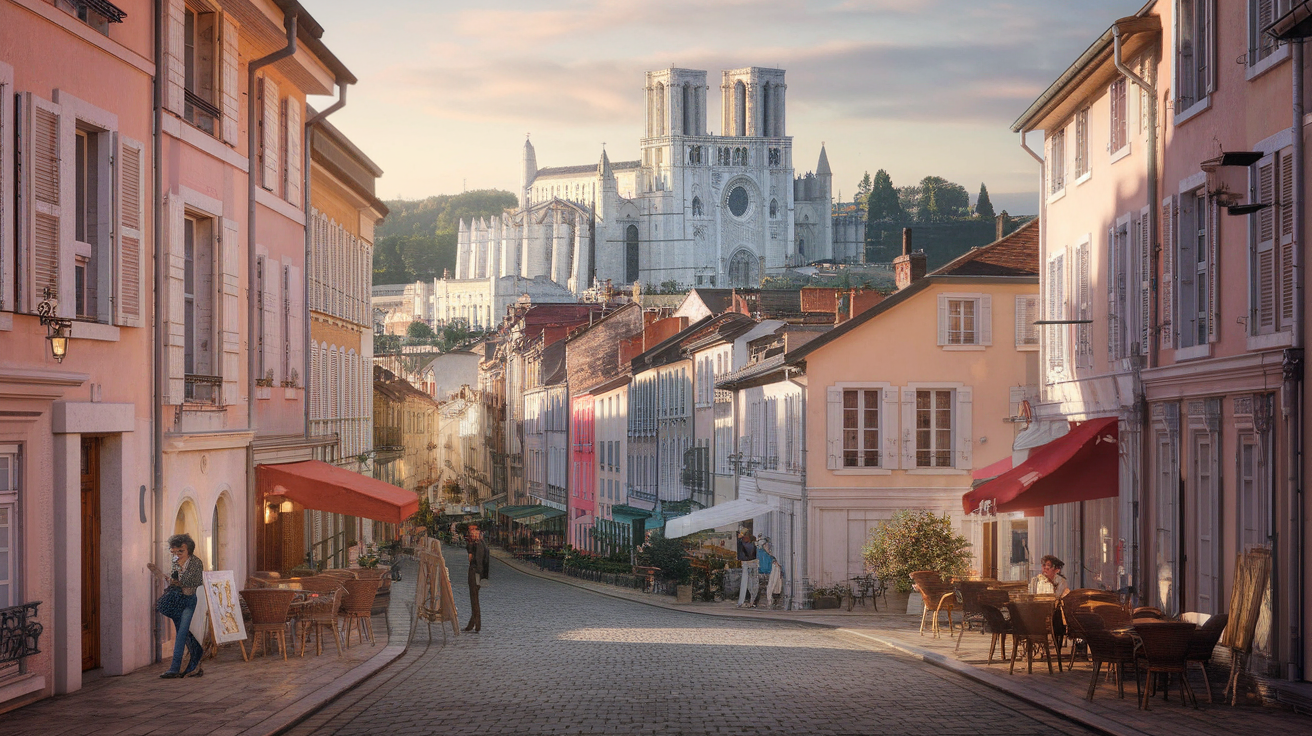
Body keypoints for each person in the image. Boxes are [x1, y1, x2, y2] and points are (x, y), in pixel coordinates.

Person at [148, 533, 205, 678]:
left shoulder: (196, 563)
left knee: (181, 635)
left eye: (181, 551)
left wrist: (176, 579)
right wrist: (169, 578)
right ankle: (197, 662)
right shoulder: (175, 562)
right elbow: (174, 581)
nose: (177, 554)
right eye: (174, 551)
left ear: (188, 550)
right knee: (183, 633)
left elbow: (193, 581)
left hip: (188, 601)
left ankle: (174, 669)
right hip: (176, 600)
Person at [464, 524, 490, 633]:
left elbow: (474, 560)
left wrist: (478, 573)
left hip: (475, 572)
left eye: (473, 531)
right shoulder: (483, 543)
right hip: (478, 573)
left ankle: (477, 625)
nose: (471, 533)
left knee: (474, 600)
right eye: (470, 531)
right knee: (474, 599)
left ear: (478, 531)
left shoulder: (478, 544)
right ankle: (471, 624)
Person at [736, 530, 758, 608]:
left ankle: (746, 601)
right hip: (752, 563)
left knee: (746, 583)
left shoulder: (744, 544)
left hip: (747, 563)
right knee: (752, 583)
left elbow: (742, 555)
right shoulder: (752, 544)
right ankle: (751, 600)